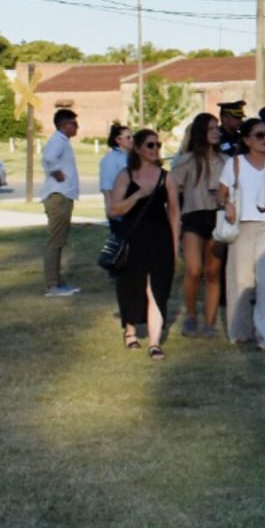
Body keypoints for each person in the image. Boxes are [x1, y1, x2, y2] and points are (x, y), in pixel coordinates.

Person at [106, 128, 179, 359]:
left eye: (157, 145)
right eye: (150, 145)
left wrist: (175, 243)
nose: (155, 149)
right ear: (137, 149)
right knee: (131, 286)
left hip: (159, 237)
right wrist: (137, 195)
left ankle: (155, 342)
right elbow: (113, 209)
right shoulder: (126, 175)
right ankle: (130, 330)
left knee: (157, 287)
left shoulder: (166, 177)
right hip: (133, 236)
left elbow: (175, 212)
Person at [218, 117, 265, 349]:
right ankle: (240, 330)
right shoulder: (236, 163)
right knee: (240, 280)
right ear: (246, 140)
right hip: (242, 225)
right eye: (259, 135)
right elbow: (221, 193)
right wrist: (228, 205)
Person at [171, 112, 226, 336]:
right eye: (211, 128)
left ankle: (210, 323)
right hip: (193, 216)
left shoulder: (226, 161)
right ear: (201, 132)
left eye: (217, 128)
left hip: (218, 216)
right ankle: (191, 315)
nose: (216, 132)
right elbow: (173, 191)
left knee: (213, 271)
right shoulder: (186, 160)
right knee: (193, 270)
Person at [38, 108, 82, 297]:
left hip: (63, 196)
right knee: (55, 241)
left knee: (59, 240)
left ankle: (56, 280)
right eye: (74, 124)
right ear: (65, 125)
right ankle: (52, 285)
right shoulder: (58, 140)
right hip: (58, 197)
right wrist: (57, 173)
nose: (77, 128)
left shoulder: (62, 141)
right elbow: (48, 158)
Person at [99, 124, 132, 214]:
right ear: (118, 140)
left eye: (132, 137)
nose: (132, 140)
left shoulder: (130, 157)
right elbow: (107, 187)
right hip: (119, 208)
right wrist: (111, 210)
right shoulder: (110, 159)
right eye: (128, 137)